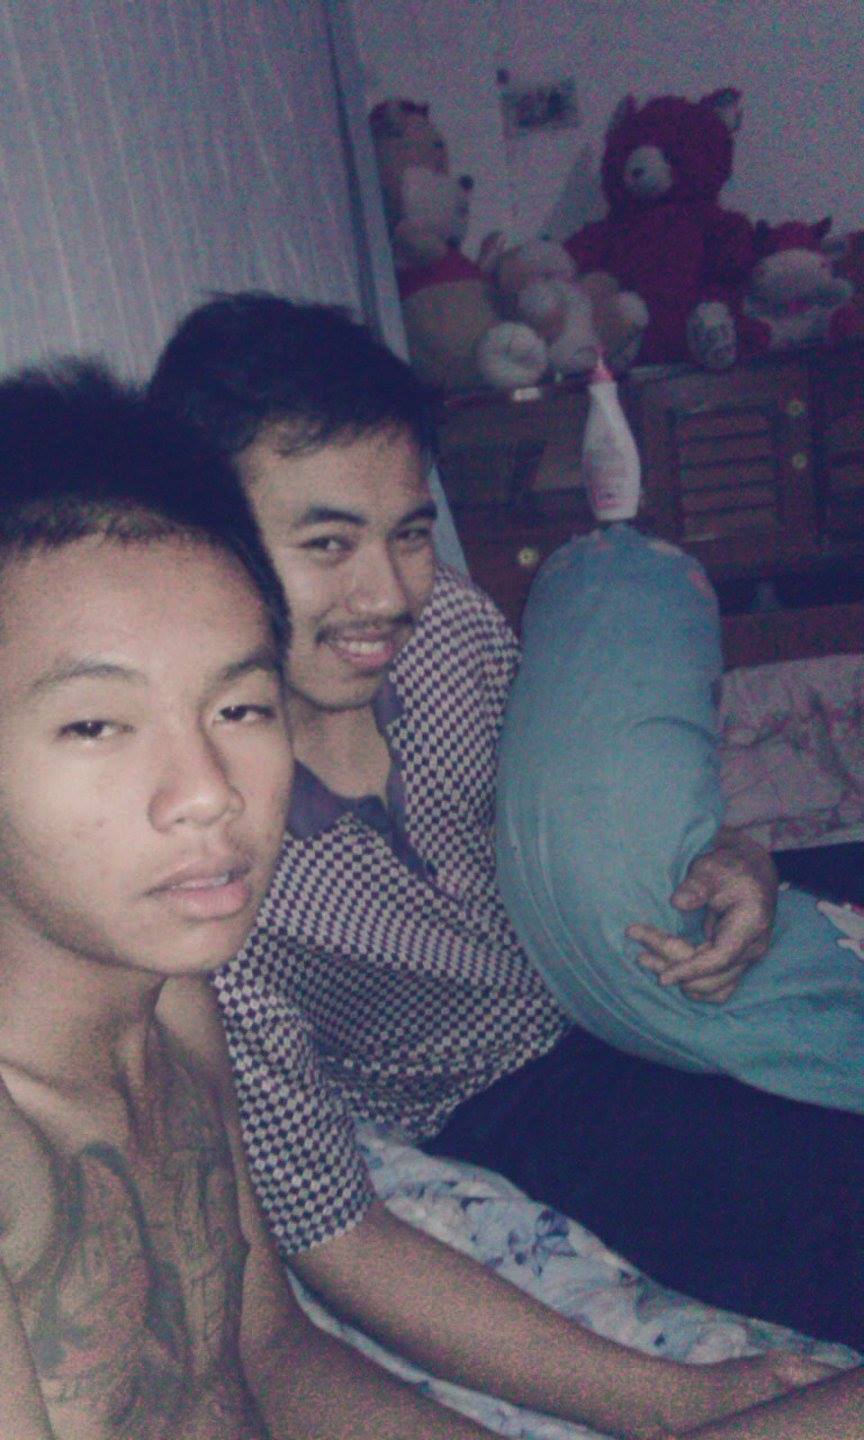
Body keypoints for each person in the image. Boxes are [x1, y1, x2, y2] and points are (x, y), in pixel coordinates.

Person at [149, 293, 864, 1376]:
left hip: (644, 982)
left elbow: (593, 801)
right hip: (512, 1107)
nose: (387, 593)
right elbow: (328, 1228)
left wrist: (737, 855)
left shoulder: (454, 634)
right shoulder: (211, 866)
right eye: (328, 543)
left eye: (409, 533)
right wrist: (668, 1400)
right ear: (201, 546)